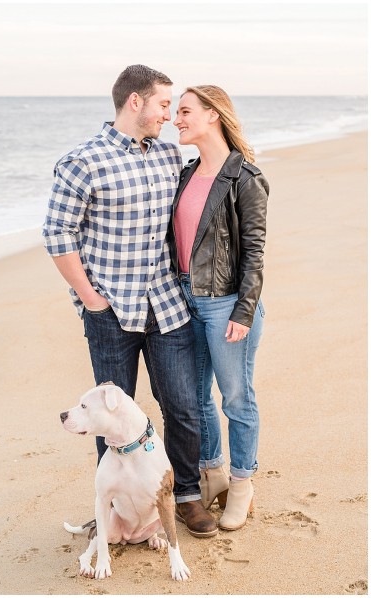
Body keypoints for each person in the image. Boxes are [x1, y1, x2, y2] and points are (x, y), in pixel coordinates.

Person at [43, 64, 217, 537]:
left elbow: (207, 180)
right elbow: (57, 235)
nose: (169, 114)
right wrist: (89, 297)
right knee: (108, 418)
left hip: (166, 306)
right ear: (135, 102)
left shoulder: (166, 155)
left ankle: (184, 496)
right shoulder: (83, 161)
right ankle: (114, 509)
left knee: (181, 405)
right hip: (110, 313)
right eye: (164, 104)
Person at [169, 85, 269, 530]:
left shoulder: (245, 178)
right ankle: (213, 475)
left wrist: (244, 312)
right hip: (186, 299)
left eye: (186, 111)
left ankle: (242, 484)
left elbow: (254, 253)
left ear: (212, 115)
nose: (177, 119)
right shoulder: (186, 174)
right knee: (194, 398)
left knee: (236, 399)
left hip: (227, 302)